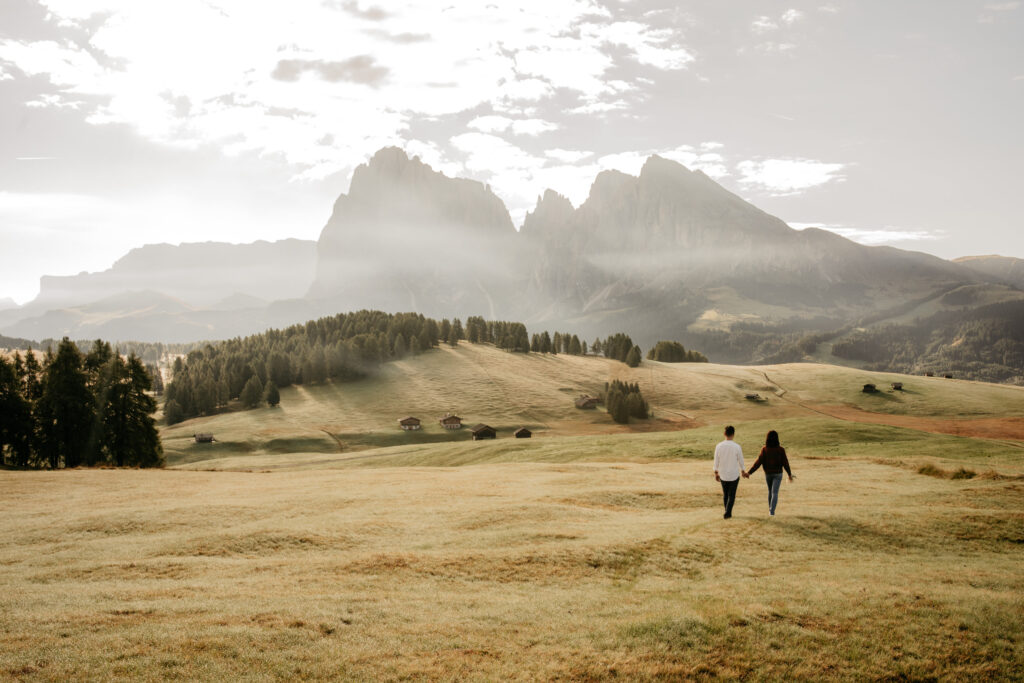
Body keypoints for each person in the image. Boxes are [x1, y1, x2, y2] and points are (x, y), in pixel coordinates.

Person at [745, 430, 793, 516]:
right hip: (778, 474)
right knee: (774, 492)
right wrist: (789, 474)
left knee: (770, 491)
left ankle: (770, 510)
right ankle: (771, 512)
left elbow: (758, 462)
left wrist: (749, 472)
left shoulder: (764, 449)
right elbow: (785, 463)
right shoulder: (781, 450)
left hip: (768, 474)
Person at [713, 425, 744, 519]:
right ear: (733, 434)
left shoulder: (719, 446)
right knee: (732, 495)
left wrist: (716, 472)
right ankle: (728, 512)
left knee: (725, 494)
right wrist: (743, 470)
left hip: (722, 474)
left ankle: (727, 511)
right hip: (734, 474)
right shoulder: (737, 447)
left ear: (724, 434)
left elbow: (716, 460)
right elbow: (741, 460)